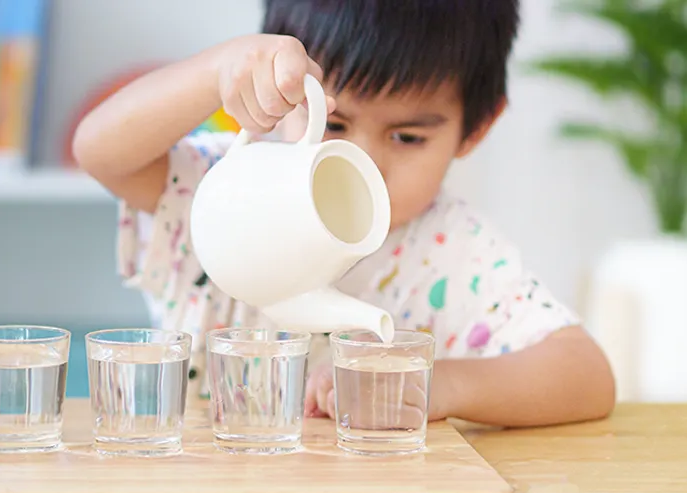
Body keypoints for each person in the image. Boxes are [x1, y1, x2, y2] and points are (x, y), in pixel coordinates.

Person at [72, 0, 616, 427]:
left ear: (475, 129)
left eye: (407, 136)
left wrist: (441, 385)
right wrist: (221, 69)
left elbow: (587, 375)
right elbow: (99, 151)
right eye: (332, 125)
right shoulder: (226, 187)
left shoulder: (454, 250)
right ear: (283, 100)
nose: (364, 161)